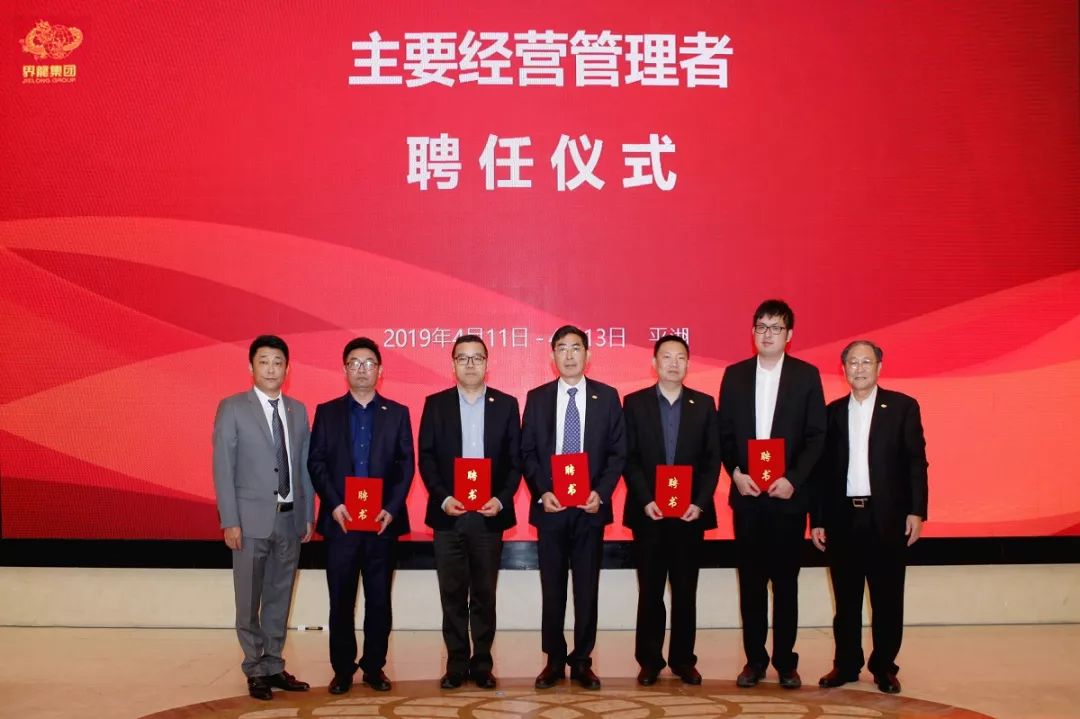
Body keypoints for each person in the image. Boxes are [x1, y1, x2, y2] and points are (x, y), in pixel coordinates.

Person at [718, 299, 826, 689]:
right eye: (761, 327)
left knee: (785, 583)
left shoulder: (806, 376)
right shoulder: (734, 376)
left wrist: (793, 479)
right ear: (753, 332)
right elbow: (724, 434)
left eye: (776, 328)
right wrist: (735, 473)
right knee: (750, 584)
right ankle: (754, 661)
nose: (768, 334)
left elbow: (816, 436)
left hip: (787, 498)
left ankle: (785, 661)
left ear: (789, 335)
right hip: (748, 497)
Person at [811, 340, 929, 695]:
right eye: (852, 362)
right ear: (843, 368)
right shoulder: (832, 413)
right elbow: (822, 472)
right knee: (845, 600)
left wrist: (917, 511)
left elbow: (916, 462)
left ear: (880, 366)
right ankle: (846, 664)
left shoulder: (903, 407)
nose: (859, 368)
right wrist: (818, 519)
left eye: (866, 362)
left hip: (887, 517)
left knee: (887, 598)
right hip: (843, 518)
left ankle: (884, 667)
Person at [522, 325, 626, 690]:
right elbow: (527, 452)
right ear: (552, 357)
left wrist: (601, 492)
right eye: (562, 348)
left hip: (589, 509)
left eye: (576, 348)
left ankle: (582, 660)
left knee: (586, 588)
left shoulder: (607, 397)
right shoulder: (537, 398)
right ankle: (554, 659)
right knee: (552, 589)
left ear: (588, 355)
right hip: (551, 509)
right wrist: (542, 491)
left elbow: (618, 452)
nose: (569, 355)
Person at [308, 337, 415, 694]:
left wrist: (391, 508)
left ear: (380, 371)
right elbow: (316, 462)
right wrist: (334, 503)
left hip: (382, 524)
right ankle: (342, 669)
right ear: (344, 370)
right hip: (341, 523)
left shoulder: (397, 413)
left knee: (379, 600)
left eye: (369, 363)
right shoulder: (328, 412)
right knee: (341, 600)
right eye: (354, 363)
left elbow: (406, 465)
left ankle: (374, 667)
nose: (362, 369)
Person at [212, 334, 314, 700]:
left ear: (288, 369)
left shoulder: (298, 410)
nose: (271, 369)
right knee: (248, 599)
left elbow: (304, 466)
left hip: (289, 519)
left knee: (279, 597)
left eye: (278, 362)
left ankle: (273, 665)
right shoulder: (232, 408)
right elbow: (223, 467)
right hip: (249, 522)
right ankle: (254, 668)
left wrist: (308, 513)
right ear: (251, 366)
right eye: (264, 361)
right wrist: (230, 520)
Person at [417, 334, 522, 690]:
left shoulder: (506, 405)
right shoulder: (436, 404)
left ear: (487, 364)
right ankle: (456, 664)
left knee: (484, 594)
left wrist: (501, 499)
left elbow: (515, 461)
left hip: (489, 516)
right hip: (449, 514)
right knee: (451, 594)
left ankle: (482, 664)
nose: (470, 364)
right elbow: (426, 458)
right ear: (453, 365)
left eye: (477, 357)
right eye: (463, 358)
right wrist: (444, 497)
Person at [623, 334, 721, 686]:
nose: (673, 363)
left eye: (680, 357)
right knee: (650, 591)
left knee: (684, 591)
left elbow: (712, 460)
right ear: (654, 363)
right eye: (666, 357)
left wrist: (700, 502)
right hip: (649, 513)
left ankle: (683, 660)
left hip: (689, 515)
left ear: (688, 364)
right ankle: (649, 660)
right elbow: (629, 457)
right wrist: (645, 498)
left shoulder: (704, 404)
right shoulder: (634, 403)